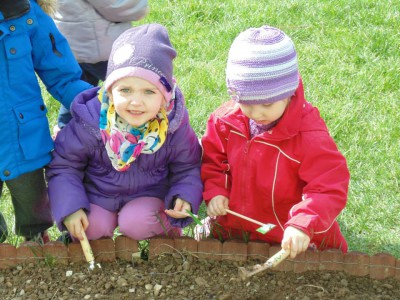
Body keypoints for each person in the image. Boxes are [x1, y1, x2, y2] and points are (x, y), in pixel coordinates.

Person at [201, 25, 350, 258]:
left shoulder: (309, 136)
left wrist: (303, 223)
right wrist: (216, 191)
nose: (256, 112)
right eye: (246, 102)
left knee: (313, 268)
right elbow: (212, 160)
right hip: (237, 224)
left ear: (288, 92)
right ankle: (223, 229)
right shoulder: (225, 122)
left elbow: (327, 186)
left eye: (267, 104)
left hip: (290, 233)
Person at [46, 24, 203, 242]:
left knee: (136, 222)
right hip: (99, 195)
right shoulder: (90, 121)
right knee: (91, 228)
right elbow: (64, 165)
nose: (136, 102)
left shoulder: (173, 125)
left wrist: (184, 197)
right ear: (110, 91)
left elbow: (187, 167)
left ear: (166, 95)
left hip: (149, 196)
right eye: (125, 90)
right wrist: (71, 207)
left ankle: (166, 244)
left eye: (149, 91)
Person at [0, 0, 92, 243]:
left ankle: (37, 242)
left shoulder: (25, 12)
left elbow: (62, 75)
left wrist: (97, 104)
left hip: (22, 139)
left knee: (33, 205)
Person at [53, 0, 149, 130]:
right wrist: (139, 5)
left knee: (76, 93)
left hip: (73, 44)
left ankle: (65, 133)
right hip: (100, 47)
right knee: (132, 88)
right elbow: (115, 6)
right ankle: (141, 132)